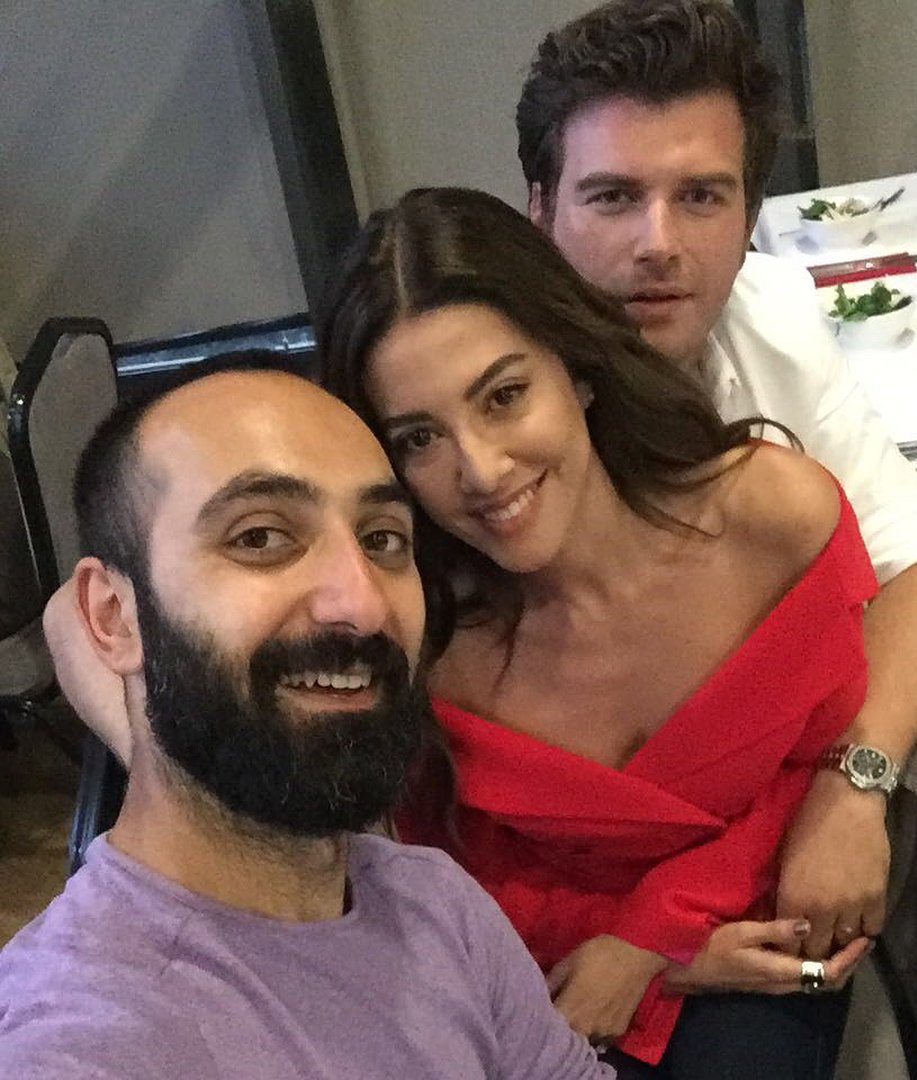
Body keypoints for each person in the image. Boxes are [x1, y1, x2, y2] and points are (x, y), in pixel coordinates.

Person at [318, 186, 873, 1076]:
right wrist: (649, 956)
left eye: (504, 396)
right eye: (419, 439)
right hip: (555, 973)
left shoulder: (772, 516)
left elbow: (819, 761)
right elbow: (451, 890)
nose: (481, 470)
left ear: (576, 368)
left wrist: (659, 934)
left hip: (758, 925)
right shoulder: (423, 641)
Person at [515, 0, 917, 963]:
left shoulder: (770, 317)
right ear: (539, 209)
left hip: (749, 847)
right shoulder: (474, 400)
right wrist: (661, 952)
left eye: (701, 197)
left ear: (751, 215)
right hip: (543, 896)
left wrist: (854, 782)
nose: (659, 243)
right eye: (612, 197)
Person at [0, 365, 612, 1080]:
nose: (363, 605)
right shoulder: (87, 1041)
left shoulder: (435, 902)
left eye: (382, 539)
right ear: (113, 617)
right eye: (260, 537)